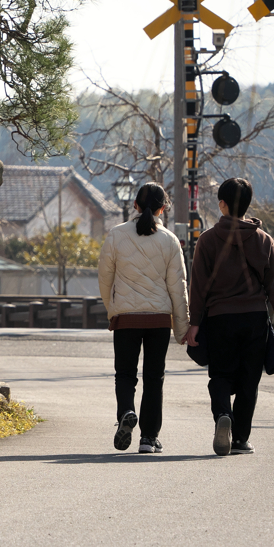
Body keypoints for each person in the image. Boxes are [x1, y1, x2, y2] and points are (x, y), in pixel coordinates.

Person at [183, 177, 274, 456]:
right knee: (248, 380)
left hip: (220, 319)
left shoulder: (207, 240)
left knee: (219, 374)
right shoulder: (263, 240)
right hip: (255, 318)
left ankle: (223, 414)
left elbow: (198, 287)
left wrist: (194, 323)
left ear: (222, 204)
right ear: (247, 205)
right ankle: (241, 439)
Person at [98, 182, 189, 454]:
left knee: (125, 374)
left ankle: (126, 412)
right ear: (163, 209)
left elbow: (105, 279)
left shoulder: (116, 235)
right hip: (159, 319)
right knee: (154, 378)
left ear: (135, 205)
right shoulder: (170, 241)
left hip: (126, 317)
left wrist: (113, 309)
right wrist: (182, 327)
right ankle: (149, 438)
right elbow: (178, 287)